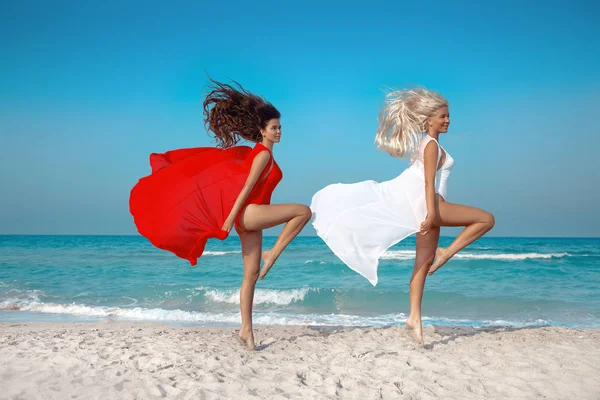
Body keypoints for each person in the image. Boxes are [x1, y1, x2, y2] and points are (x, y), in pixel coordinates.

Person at [130, 80, 312, 350]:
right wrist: (229, 219)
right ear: (262, 130)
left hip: (252, 218)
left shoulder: (261, 154)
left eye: (280, 128)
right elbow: (245, 188)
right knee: (303, 211)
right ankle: (273, 253)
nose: (279, 132)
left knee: (250, 276)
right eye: (274, 128)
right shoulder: (261, 155)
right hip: (248, 214)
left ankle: (246, 332)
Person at [310, 88, 495, 344]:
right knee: (486, 219)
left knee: (421, 265)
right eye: (443, 116)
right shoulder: (430, 145)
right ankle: (446, 253)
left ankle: (414, 318)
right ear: (429, 120)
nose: (448, 120)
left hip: (427, 206)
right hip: (431, 205)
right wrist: (431, 214)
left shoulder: (428, 144)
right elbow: (429, 183)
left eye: (449, 116)